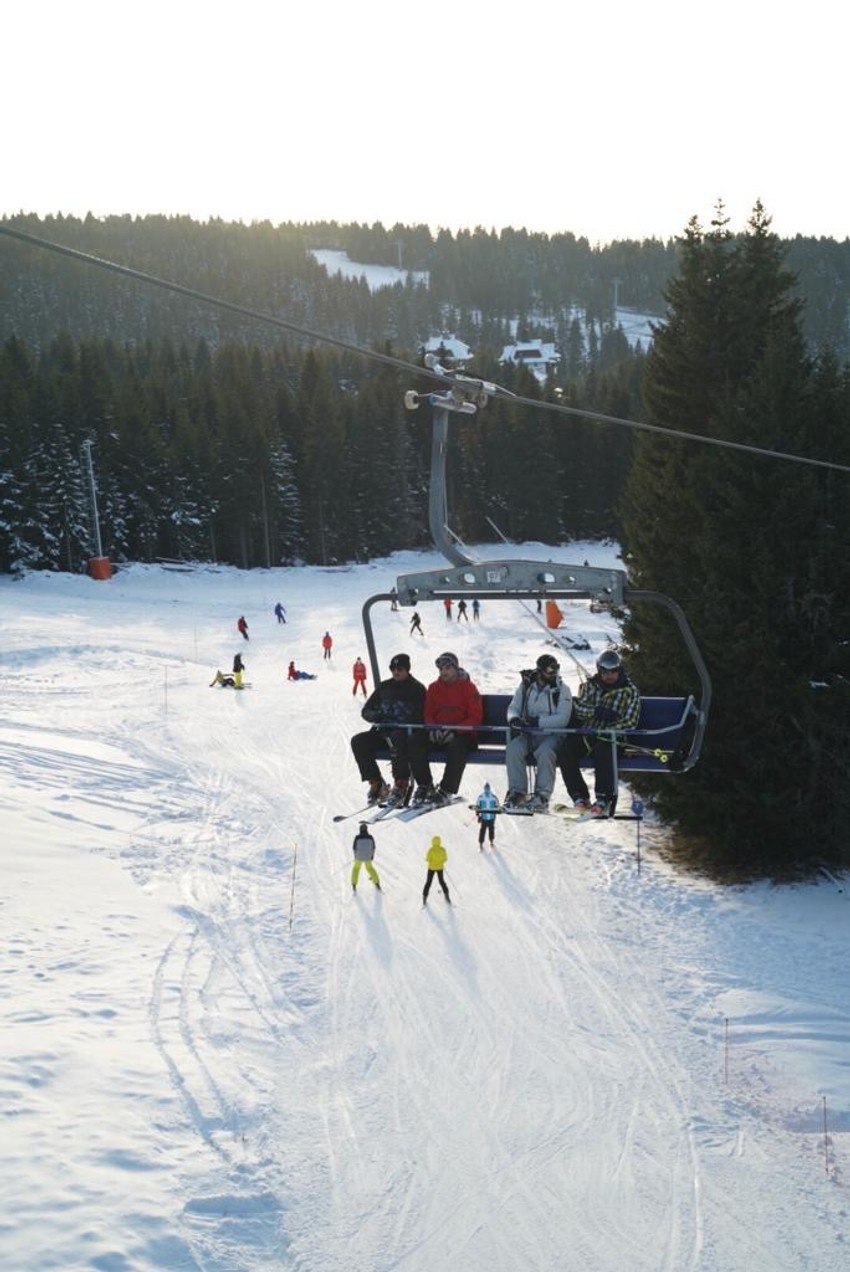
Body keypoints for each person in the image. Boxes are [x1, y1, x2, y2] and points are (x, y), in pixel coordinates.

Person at [558, 648, 641, 817]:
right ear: (599, 670)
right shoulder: (591, 686)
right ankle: (579, 797)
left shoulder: (629, 691)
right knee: (566, 749)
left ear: (620, 670)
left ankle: (604, 798)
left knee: (604, 749)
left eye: (613, 671)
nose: (609, 675)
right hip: (589, 735)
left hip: (612, 739)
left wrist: (610, 727)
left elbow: (631, 721)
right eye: (605, 672)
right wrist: (596, 711)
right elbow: (579, 708)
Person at [351, 653, 426, 806]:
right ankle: (377, 783)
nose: (396, 672)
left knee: (396, 738)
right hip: (383, 732)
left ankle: (401, 783)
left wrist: (404, 721)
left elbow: (422, 714)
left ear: (407, 669)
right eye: (393, 669)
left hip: (404, 734)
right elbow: (366, 710)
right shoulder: (384, 687)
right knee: (358, 741)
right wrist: (376, 716)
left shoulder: (417, 689)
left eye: (400, 669)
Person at [408, 652, 483, 806]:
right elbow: (428, 713)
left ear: (456, 668)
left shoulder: (468, 688)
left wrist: (455, 731)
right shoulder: (434, 688)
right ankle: (425, 784)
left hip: (464, 735)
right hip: (439, 732)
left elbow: (476, 717)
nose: (444, 672)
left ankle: (446, 789)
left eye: (448, 668)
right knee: (414, 741)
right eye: (441, 669)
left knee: (457, 747)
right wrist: (433, 729)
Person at [504, 654, 571, 811]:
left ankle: (542, 796)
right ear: (540, 671)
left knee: (545, 752)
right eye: (549, 671)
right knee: (514, 749)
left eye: (556, 670)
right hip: (529, 735)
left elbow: (563, 719)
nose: (553, 675)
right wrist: (514, 719)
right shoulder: (527, 686)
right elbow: (514, 707)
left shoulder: (562, 690)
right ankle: (517, 793)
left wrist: (537, 722)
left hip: (552, 735)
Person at [351, 823, 381, 893]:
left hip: (359, 857)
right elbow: (373, 848)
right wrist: (372, 856)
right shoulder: (370, 837)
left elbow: (354, 848)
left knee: (356, 869)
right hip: (368, 857)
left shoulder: (357, 837)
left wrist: (355, 856)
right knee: (370, 868)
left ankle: (354, 884)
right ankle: (377, 883)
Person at [422, 834, 451, 905]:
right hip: (440, 868)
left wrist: (429, 860)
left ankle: (424, 898)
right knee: (442, 881)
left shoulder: (430, 850)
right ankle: (447, 895)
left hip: (431, 868)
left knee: (428, 882)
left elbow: (428, 859)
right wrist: (440, 862)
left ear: (432, 842)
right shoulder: (442, 850)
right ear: (439, 842)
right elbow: (445, 859)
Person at [475, 781, 499, 849]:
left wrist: (496, 811)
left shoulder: (493, 797)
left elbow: (497, 806)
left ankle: (491, 841)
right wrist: (478, 815)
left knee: (491, 829)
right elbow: (477, 806)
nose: (487, 790)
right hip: (484, 817)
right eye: (486, 788)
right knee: (483, 830)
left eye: (488, 788)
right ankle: (481, 843)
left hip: (491, 817)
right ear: (484, 789)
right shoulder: (481, 797)